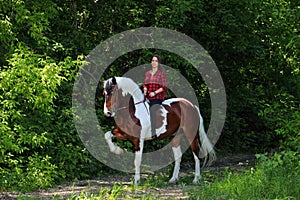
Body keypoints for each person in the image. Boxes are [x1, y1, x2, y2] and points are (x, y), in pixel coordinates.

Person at [143, 55, 167, 139]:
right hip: (148, 97)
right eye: (153, 60)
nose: (154, 62)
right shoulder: (148, 73)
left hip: (157, 98)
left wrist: (154, 92)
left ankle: (153, 131)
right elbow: (145, 85)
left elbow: (163, 87)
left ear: (159, 63)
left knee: (152, 110)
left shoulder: (161, 74)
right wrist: (145, 90)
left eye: (156, 61)